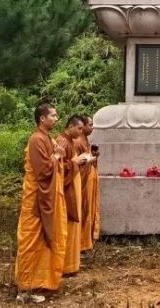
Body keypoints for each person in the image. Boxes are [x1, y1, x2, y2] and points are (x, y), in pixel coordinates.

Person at [14, 102, 68, 303]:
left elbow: (54, 165)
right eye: (53, 115)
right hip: (36, 200)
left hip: (46, 197)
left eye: (56, 115)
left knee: (42, 244)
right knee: (30, 243)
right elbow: (43, 171)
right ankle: (24, 290)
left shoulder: (47, 138)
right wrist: (56, 156)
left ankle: (38, 284)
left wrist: (58, 156)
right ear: (42, 118)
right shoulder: (36, 139)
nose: (56, 118)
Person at [56, 116, 91, 276]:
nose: (81, 131)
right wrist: (75, 161)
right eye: (78, 128)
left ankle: (72, 264)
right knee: (69, 224)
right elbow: (58, 167)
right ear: (70, 126)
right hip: (68, 187)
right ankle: (65, 266)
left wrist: (79, 161)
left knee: (74, 224)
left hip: (74, 185)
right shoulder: (61, 141)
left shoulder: (70, 141)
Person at [78, 115, 100, 252]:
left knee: (88, 208)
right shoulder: (77, 141)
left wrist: (92, 155)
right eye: (90, 125)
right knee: (83, 209)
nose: (93, 128)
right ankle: (81, 242)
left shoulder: (85, 140)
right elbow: (77, 162)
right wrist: (89, 159)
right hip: (82, 180)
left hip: (89, 178)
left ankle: (86, 240)